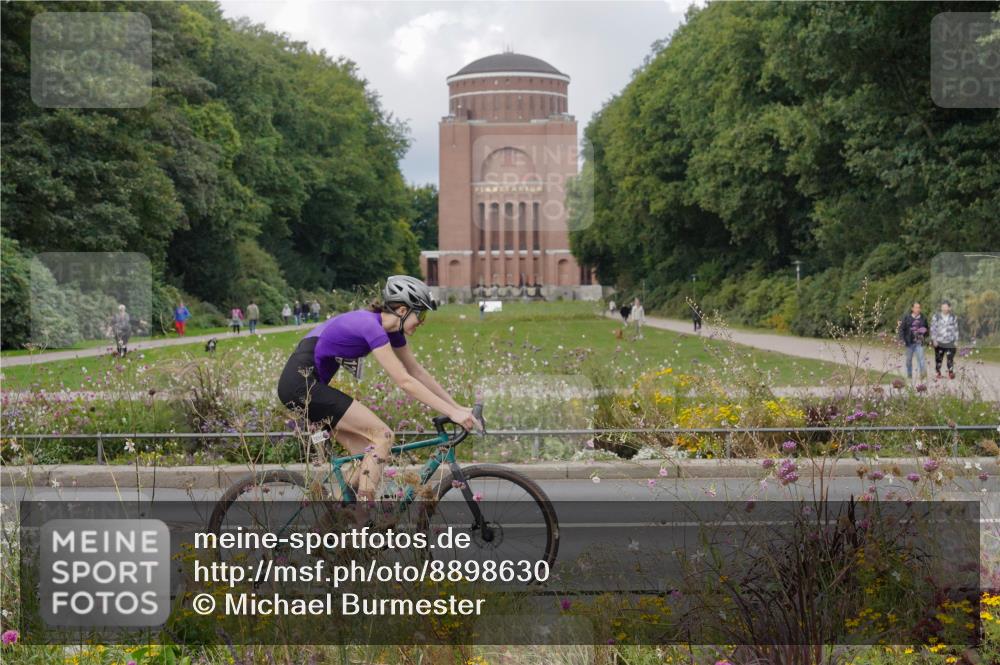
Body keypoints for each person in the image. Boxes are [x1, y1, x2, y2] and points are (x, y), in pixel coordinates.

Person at [276, 275, 480, 516]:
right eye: (421, 315)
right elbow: (405, 381)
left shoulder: (392, 332)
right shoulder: (371, 326)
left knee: (366, 458)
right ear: (403, 310)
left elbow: (416, 372)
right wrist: (452, 413)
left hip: (308, 386)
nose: (422, 322)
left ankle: (337, 526)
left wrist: (456, 407)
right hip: (301, 386)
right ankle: (364, 529)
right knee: (382, 436)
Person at [898, 302, 929, 382]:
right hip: (909, 343)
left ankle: (923, 375)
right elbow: (901, 329)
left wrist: (924, 334)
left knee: (921, 359)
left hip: (919, 342)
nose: (918, 309)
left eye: (919, 307)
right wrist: (902, 339)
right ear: (912, 309)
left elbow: (926, 329)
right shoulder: (907, 317)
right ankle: (909, 375)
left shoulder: (923, 318)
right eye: (916, 307)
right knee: (908, 360)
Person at [930, 300, 959, 380]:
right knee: (938, 358)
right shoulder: (936, 316)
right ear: (941, 308)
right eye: (943, 307)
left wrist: (956, 341)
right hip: (939, 341)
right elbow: (933, 329)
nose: (944, 309)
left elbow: (956, 329)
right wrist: (934, 340)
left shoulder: (953, 317)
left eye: (946, 307)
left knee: (950, 359)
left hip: (950, 342)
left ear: (949, 308)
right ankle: (938, 372)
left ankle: (950, 373)